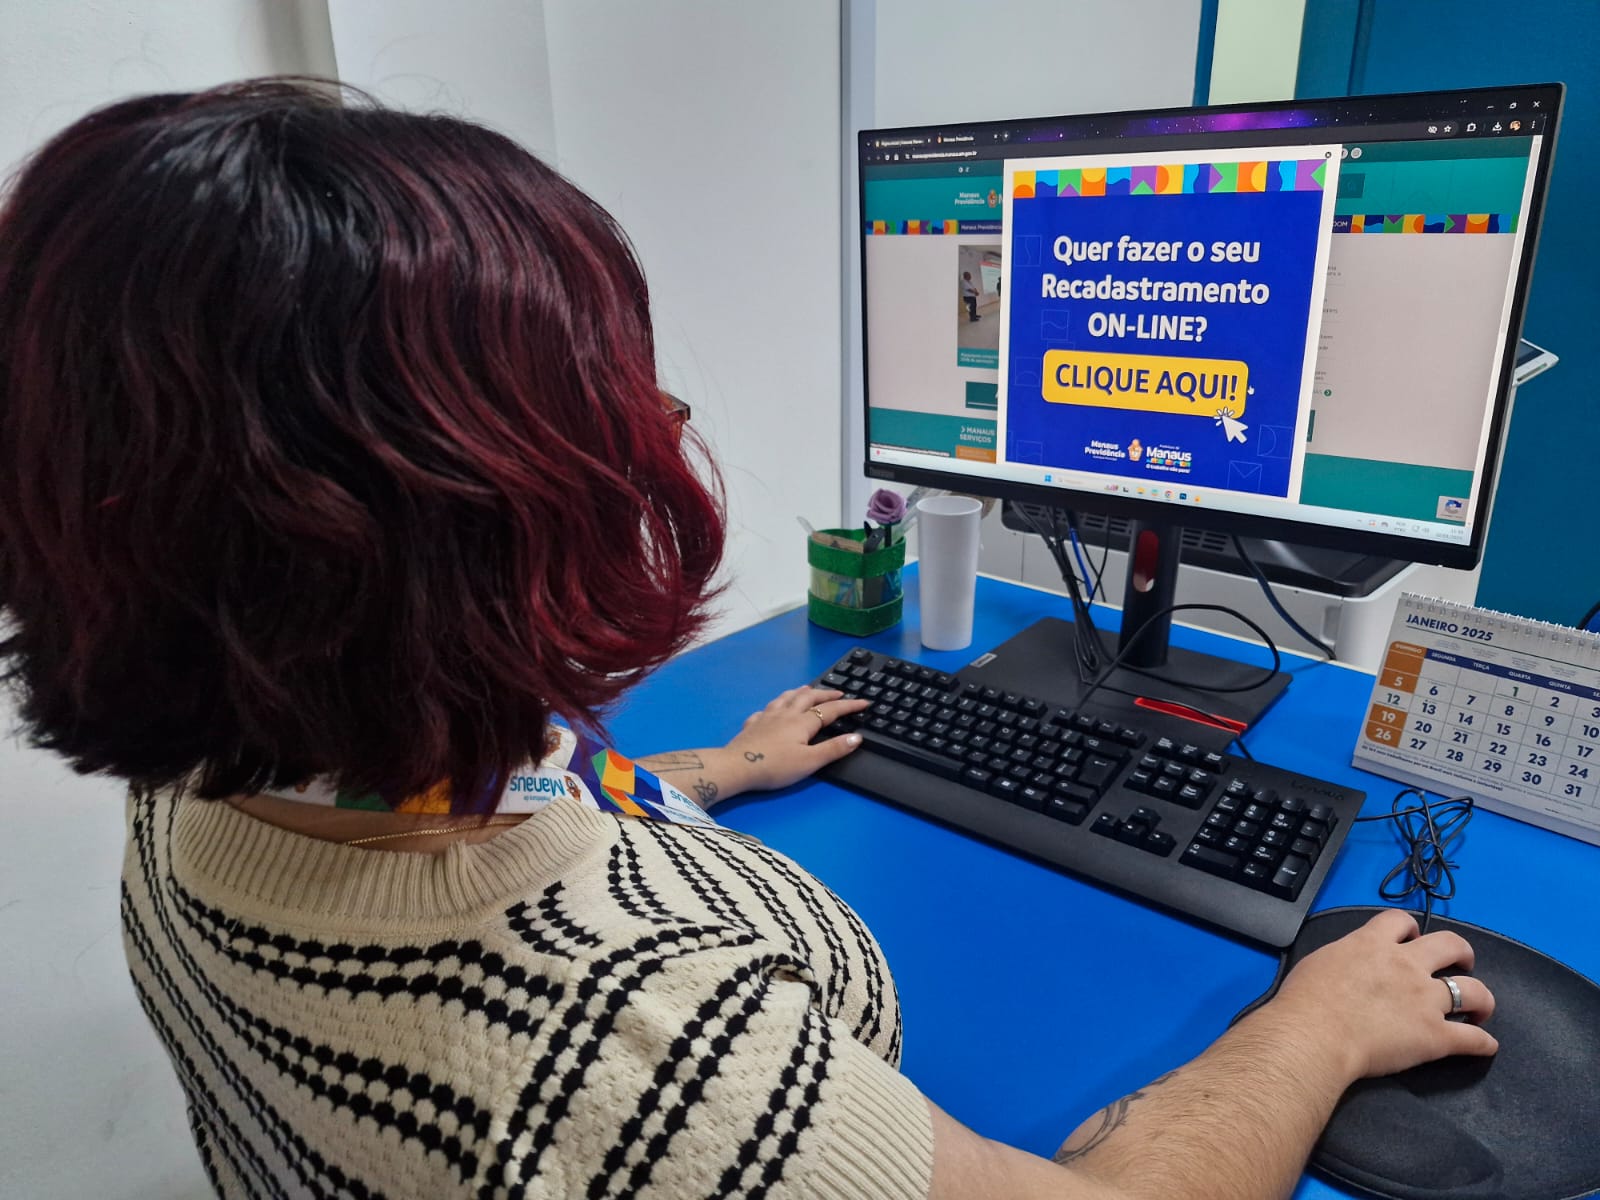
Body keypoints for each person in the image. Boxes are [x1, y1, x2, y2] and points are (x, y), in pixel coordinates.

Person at [0, 80, 1497, 1200]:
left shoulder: (216, 763)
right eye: (604, 401)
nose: (654, 425)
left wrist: (710, 768)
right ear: (465, 534)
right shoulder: (642, 1073)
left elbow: (466, 808)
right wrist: (1318, 1030)